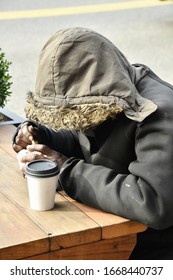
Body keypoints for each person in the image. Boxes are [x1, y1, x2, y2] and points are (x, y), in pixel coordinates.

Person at [12, 27, 173, 260]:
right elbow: (87, 142)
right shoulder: (107, 91)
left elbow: (153, 202)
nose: (76, 119)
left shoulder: (160, 113)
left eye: (73, 111)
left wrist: (65, 170)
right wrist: (40, 135)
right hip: (127, 234)